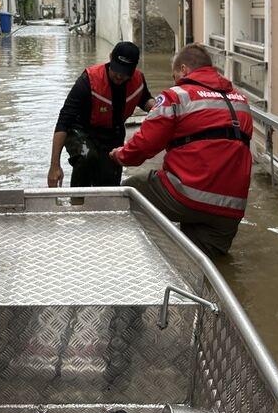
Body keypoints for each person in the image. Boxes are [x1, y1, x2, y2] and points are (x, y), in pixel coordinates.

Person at [110, 43, 254, 257]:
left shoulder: (177, 96)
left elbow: (144, 145)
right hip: (231, 208)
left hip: (186, 195)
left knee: (125, 194)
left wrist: (120, 155)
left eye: (174, 75)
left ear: (184, 69)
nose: (174, 81)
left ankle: (119, 255)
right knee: (202, 263)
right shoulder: (241, 101)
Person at [48, 41, 153, 188]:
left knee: (109, 182)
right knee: (87, 156)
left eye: (125, 72)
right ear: (110, 58)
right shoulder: (88, 80)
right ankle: (78, 199)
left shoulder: (138, 80)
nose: (119, 76)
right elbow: (64, 120)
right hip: (81, 130)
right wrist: (55, 166)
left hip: (113, 134)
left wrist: (161, 108)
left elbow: (145, 100)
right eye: (116, 69)